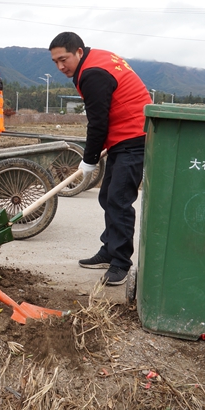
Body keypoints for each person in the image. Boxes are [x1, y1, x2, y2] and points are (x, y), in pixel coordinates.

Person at [49, 32, 151, 286]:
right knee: (108, 196)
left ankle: (120, 263)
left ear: (79, 52)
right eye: (55, 62)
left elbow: (97, 122)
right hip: (124, 137)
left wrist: (89, 158)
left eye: (64, 59)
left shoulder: (92, 73)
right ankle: (109, 249)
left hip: (133, 138)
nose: (61, 67)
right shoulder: (98, 58)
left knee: (119, 200)